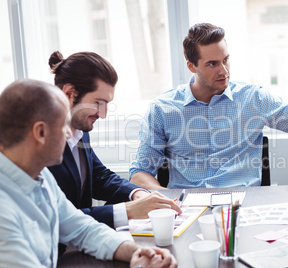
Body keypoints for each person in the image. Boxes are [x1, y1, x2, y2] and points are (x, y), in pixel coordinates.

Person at [0, 79, 177, 267]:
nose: (69, 135)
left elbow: (82, 229)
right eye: (63, 126)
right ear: (41, 132)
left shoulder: (41, 176)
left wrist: (137, 251)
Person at [129, 23, 288, 189]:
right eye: (212, 64)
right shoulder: (162, 109)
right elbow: (139, 173)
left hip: (244, 205)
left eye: (226, 60)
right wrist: (168, 199)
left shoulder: (254, 98)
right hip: (187, 206)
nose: (224, 70)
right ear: (192, 66)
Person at [47, 51, 181, 231]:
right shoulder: (41, 145)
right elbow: (59, 220)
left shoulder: (79, 129)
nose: (103, 114)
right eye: (98, 103)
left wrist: (137, 193)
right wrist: (128, 211)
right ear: (70, 93)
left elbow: (98, 175)